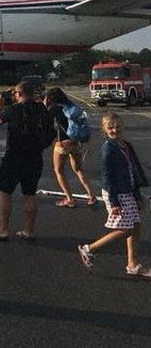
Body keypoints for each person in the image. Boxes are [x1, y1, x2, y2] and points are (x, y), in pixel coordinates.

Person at [78, 112, 151, 276]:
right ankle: (89, 249)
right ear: (104, 129)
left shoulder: (126, 145)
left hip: (129, 192)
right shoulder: (107, 150)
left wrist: (137, 195)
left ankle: (133, 264)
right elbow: (107, 177)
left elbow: (133, 170)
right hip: (117, 194)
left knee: (136, 226)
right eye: (110, 127)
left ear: (123, 127)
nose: (114, 130)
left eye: (117, 126)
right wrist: (114, 202)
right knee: (127, 229)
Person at [0, 81, 54, 240]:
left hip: (14, 156)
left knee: (5, 192)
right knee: (30, 194)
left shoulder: (13, 109)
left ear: (19, 94)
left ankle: (3, 230)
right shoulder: (42, 110)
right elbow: (50, 133)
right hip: (34, 157)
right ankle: (28, 230)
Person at [43, 87, 96, 208]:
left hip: (62, 143)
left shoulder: (55, 108)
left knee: (59, 170)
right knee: (78, 169)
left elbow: (44, 118)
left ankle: (69, 199)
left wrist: (44, 104)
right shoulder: (71, 106)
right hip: (76, 142)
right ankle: (91, 196)